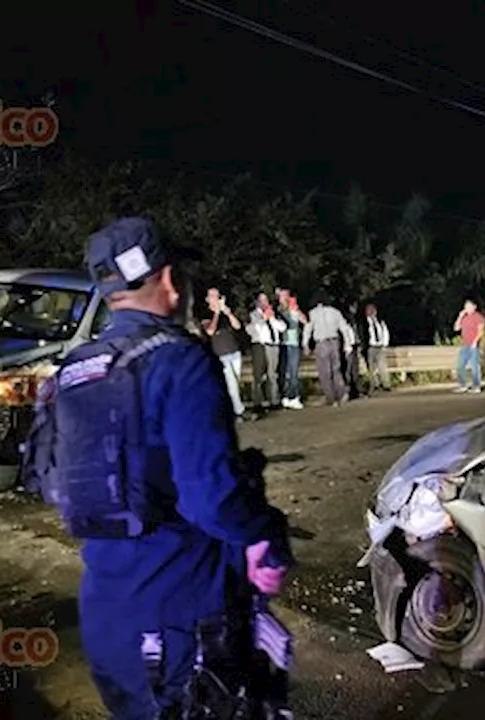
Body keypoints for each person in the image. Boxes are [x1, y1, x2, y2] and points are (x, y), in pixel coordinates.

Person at [23, 217, 291, 719]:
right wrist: (265, 533)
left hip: (107, 622)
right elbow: (211, 499)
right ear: (170, 281)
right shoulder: (181, 361)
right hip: (182, 624)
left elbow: (49, 481)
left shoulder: (72, 371)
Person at [202, 287, 252, 422]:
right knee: (232, 384)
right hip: (220, 355)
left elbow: (237, 326)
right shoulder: (206, 314)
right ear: (207, 299)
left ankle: (231, 411)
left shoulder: (225, 313)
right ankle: (239, 411)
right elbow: (210, 331)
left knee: (235, 383)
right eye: (212, 296)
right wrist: (216, 314)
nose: (215, 298)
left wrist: (228, 313)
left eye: (217, 295)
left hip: (234, 352)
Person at [302, 292, 353, 406]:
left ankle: (331, 397)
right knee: (336, 369)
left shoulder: (312, 313)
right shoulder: (335, 312)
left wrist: (305, 344)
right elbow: (344, 328)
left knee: (324, 372)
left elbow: (308, 330)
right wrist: (348, 344)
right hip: (334, 341)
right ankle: (342, 393)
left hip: (321, 343)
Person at [246, 293, 286, 413]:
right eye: (262, 301)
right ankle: (257, 403)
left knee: (272, 374)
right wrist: (264, 318)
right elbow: (253, 329)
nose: (264, 303)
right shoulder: (253, 315)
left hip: (273, 345)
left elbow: (282, 327)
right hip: (260, 345)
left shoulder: (274, 314)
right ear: (257, 302)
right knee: (258, 375)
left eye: (266, 300)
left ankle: (274, 400)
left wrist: (272, 318)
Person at [275, 288, 306, 410]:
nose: (284, 298)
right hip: (282, 344)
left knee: (294, 371)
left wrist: (296, 310)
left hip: (294, 343)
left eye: (286, 296)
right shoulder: (277, 310)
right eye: (282, 296)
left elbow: (304, 320)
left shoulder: (294, 310)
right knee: (284, 372)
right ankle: (286, 396)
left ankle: (294, 396)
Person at [452, 299, 485, 394]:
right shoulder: (464, 318)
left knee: (475, 366)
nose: (467, 308)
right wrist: (460, 316)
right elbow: (456, 328)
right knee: (460, 365)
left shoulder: (479, 317)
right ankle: (462, 385)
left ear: (474, 307)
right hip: (464, 344)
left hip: (473, 345)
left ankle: (476, 386)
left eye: (469, 306)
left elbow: (480, 331)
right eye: (466, 307)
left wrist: (475, 342)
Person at [363, 303, 391, 395]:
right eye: (369, 310)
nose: (371, 312)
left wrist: (384, 345)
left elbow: (385, 333)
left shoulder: (380, 322)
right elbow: (364, 335)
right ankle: (375, 384)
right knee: (372, 368)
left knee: (382, 366)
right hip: (371, 347)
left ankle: (386, 385)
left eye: (372, 310)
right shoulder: (364, 323)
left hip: (380, 346)